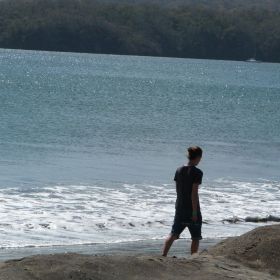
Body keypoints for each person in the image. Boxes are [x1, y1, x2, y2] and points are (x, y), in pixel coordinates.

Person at [162, 146, 203, 256]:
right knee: (195, 237)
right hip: (192, 209)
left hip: (180, 206)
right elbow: (194, 194)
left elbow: (178, 190)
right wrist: (194, 212)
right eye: (200, 158)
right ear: (198, 157)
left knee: (173, 233)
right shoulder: (197, 172)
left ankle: (164, 255)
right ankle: (193, 258)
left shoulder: (179, 170)